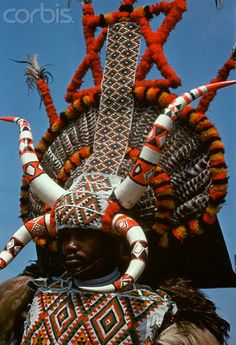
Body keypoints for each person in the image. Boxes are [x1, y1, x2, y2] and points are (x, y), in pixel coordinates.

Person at [0, 226, 229, 345]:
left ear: (117, 243)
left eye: (84, 235)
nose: (70, 246)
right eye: (64, 237)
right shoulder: (34, 296)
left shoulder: (157, 311)